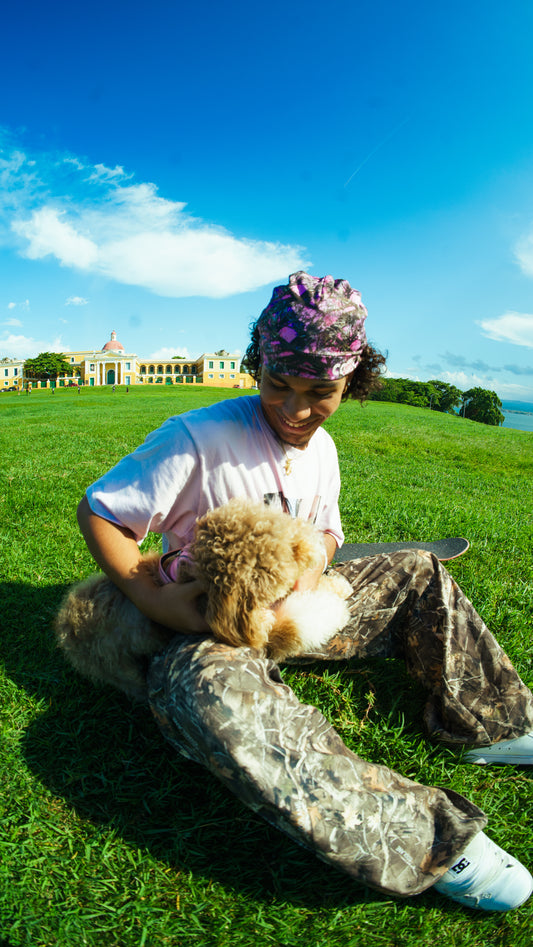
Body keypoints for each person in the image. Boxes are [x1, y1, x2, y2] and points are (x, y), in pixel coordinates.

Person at [77, 272, 533, 912]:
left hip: (300, 613)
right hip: (214, 630)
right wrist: (147, 596)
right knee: (207, 693)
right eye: (277, 386)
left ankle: (493, 722)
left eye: (320, 391)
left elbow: (326, 532)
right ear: (257, 366)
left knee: (418, 570)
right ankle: (427, 841)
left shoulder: (323, 451)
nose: (294, 410)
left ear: (354, 380)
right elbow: (101, 511)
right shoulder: (196, 438)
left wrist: (314, 565)